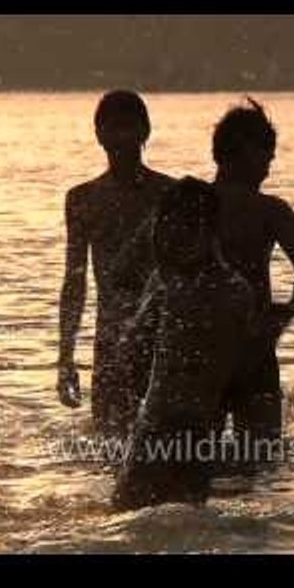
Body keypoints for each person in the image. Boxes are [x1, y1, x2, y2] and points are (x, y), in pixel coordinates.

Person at [112, 178, 255, 511]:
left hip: (185, 431)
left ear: (209, 233)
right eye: (164, 227)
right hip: (160, 427)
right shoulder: (171, 283)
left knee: (144, 521)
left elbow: (232, 380)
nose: (170, 240)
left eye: (184, 229)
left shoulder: (225, 291)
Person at [57, 91, 175, 430]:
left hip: (162, 333)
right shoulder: (82, 200)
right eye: (112, 128)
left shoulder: (169, 194)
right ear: (99, 135)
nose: (121, 137)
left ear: (145, 132)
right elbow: (74, 280)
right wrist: (65, 358)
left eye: (128, 127)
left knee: (168, 440)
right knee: (110, 441)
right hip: (110, 338)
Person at [210, 98, 294, 456]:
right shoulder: (269, 211)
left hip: (202, 349)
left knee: (191, 457)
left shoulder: (190, 202)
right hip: (253, 349)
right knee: (262, 461)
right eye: (266, 151)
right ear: (240, 150)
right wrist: (277, 322)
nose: (271, 161)